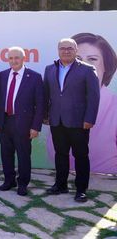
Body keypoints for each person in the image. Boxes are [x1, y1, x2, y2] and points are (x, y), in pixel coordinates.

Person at [44, 38, 100, 202]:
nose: (66, 51)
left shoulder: (88, 70)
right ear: (58, 50)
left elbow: (93, 97)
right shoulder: (49, 69)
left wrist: (90, 119)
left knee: (81, 155)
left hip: (79, 122)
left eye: (70, 48)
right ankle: (60, 185)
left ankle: (81, 189)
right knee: (60, 154)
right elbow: (45, 94)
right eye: (63, 48)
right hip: (57, 120)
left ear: (76, 51)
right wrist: (46, 115)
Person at [0, 47, 45, 196]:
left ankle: (23, 183)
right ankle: (9, 180)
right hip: (4, 121)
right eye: (10, 58)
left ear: (23, 59)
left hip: (23, 123)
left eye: (17, 58)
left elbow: (40, 105)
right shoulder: (1, 76)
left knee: (23, 154)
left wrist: (36, 127)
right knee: (6, 153)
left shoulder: (34, 77)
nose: (13, 61)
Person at [71, 32, 117, 174]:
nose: (84, 65)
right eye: (77, 59)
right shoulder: (62, 102)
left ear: (106, 67)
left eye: (92, 59)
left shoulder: (114, 109)